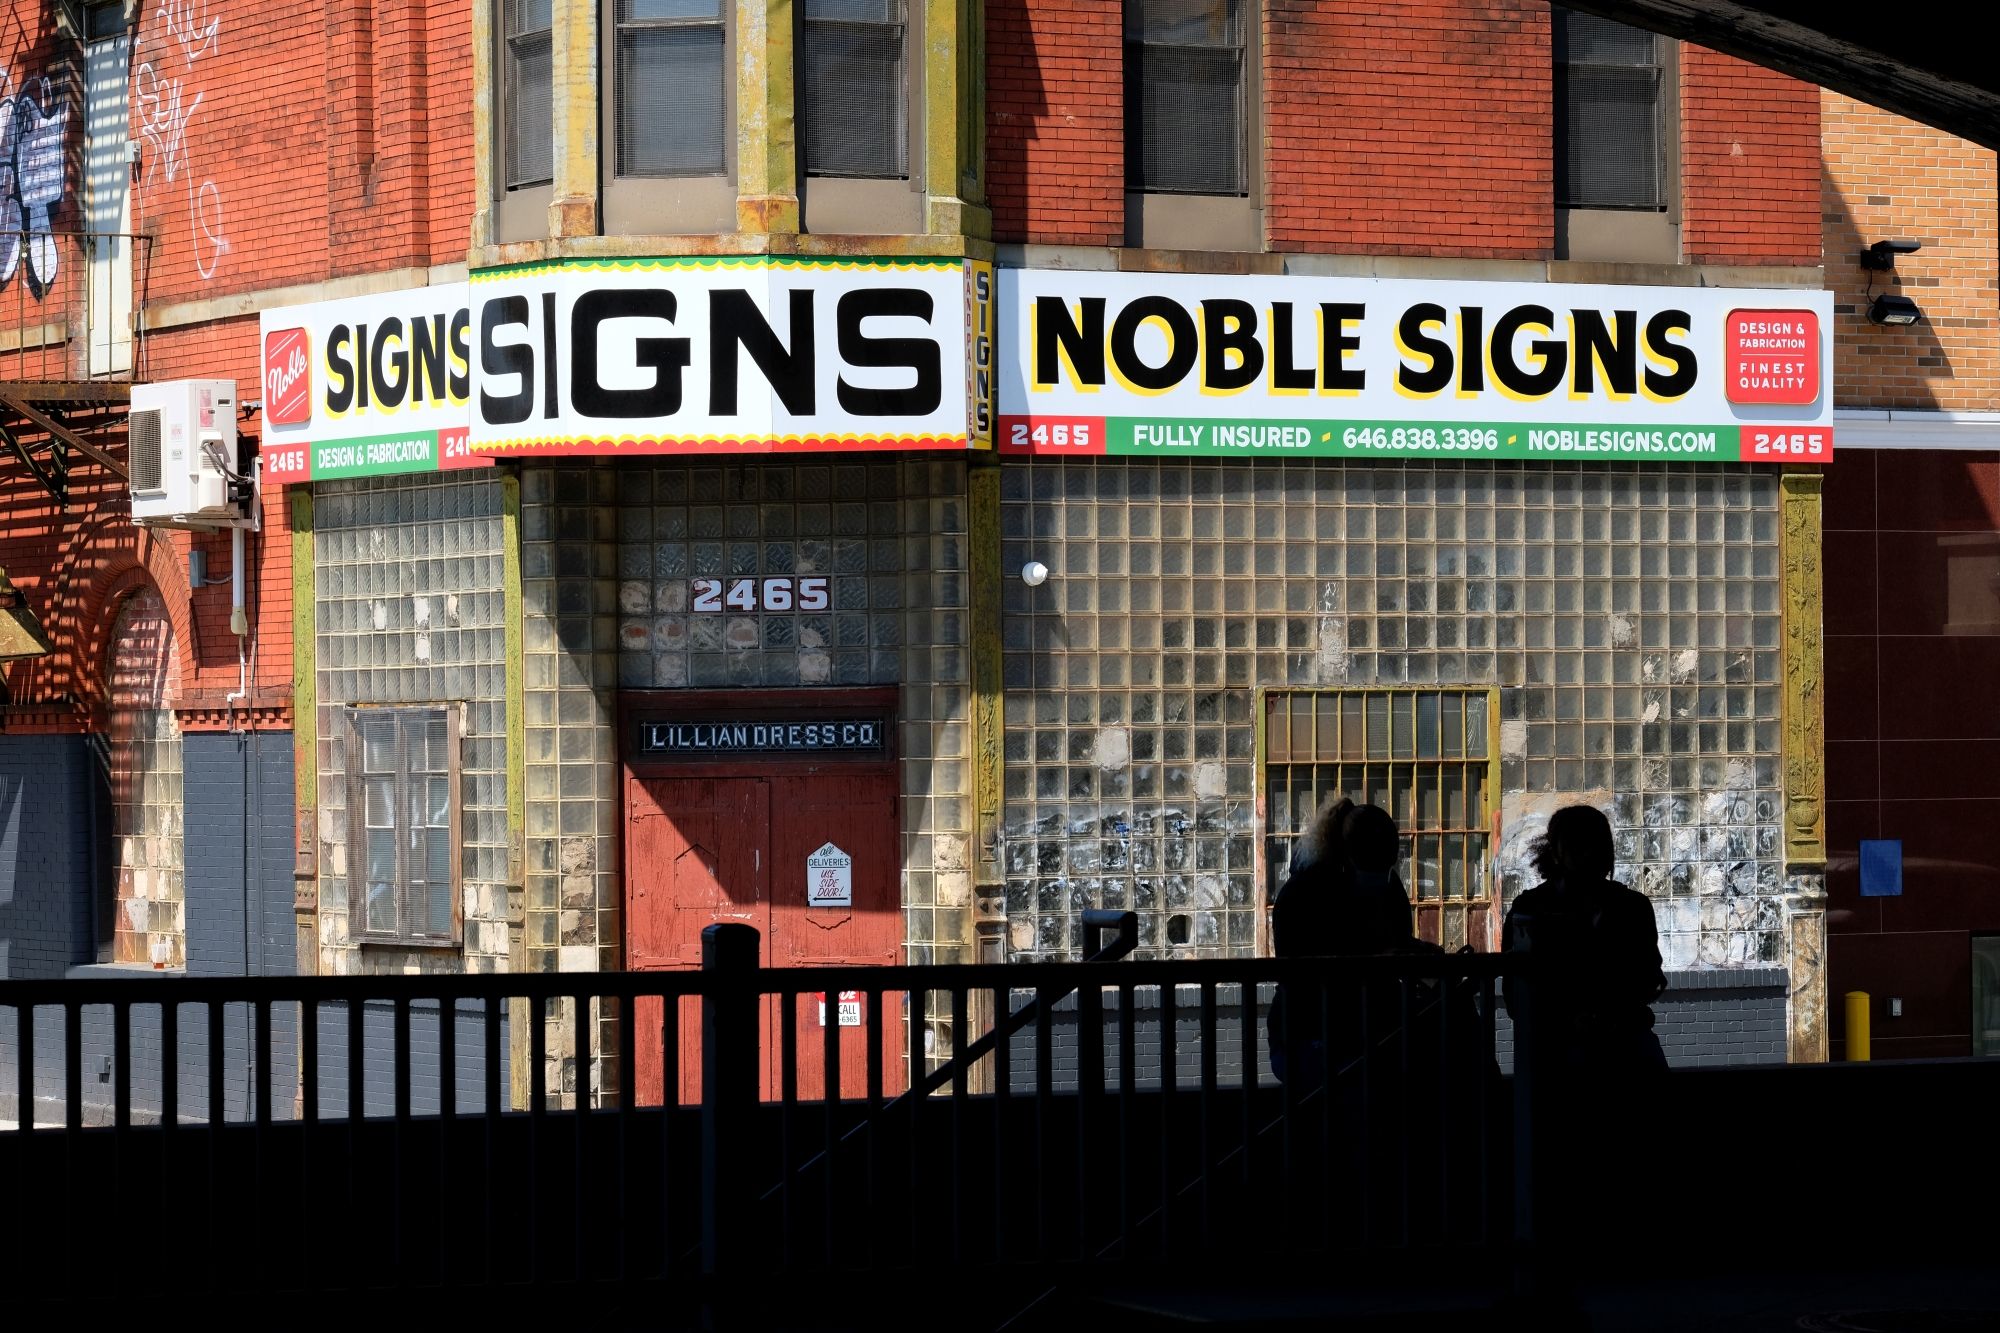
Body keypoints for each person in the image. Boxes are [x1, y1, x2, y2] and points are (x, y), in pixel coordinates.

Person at [1500, 804, 1668, 1078]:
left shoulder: (1529, 908)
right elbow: (1649, 978)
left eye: (1593, 846)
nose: (1588, 854)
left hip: (1574, 1043)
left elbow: (1516, 993)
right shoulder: (1631, 906)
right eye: (1579, 846)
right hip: (1611, 1042)